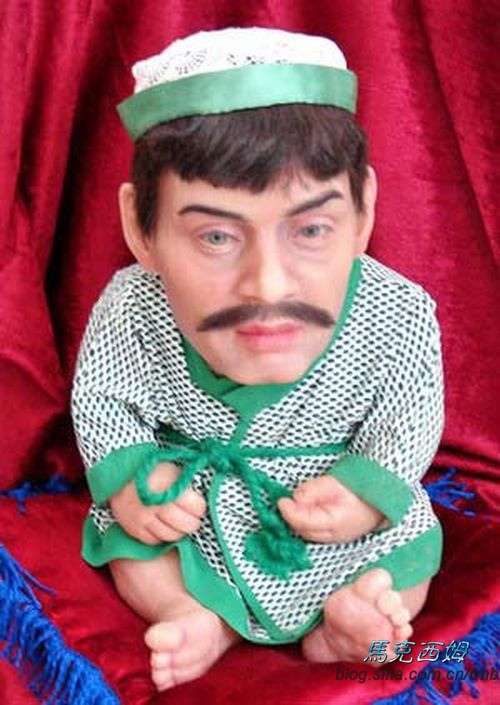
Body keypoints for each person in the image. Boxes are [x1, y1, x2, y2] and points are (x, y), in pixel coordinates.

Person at [71, 27, 445, 691]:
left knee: (406, 547)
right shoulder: (131, 306)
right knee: (133, 543)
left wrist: (367, 491)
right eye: (216, 236)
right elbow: (103, 398)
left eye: (312, 230)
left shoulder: (399, 312)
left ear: (362, 212)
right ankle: (192, 612)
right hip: (193, 503)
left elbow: (409, 413)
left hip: (331, 507)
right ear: (141, 229)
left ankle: (346, 620)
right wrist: (133, 480)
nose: (267, 285)